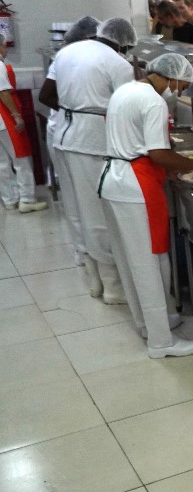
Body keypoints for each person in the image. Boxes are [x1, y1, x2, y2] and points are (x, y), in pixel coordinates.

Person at [99, 54, 193, 358]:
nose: (179, 92)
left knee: (130, 259)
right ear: (173, 77)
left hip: (113, 180)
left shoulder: (126, 90)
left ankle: (148, 323)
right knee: (150, 263)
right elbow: (158, 154)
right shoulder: (153, 102)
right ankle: (161, 342)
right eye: (182, 86)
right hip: (135, 185)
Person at [38, 18, 137, 303]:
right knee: (99, 215)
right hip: (92, 143)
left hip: (63, 137)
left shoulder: (66, 53)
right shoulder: (119, 64)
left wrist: (73, 109)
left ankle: (94, 277)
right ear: (124, 44)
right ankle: (113, 287)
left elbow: (46, 95)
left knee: (76, 208)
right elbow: (128, 107)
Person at [0, 33, 48, 213]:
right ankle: (27, 199)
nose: (6, 49)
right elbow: (3, 92)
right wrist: (16, 115)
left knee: (2, 162)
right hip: (5, 118)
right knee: (21, 158)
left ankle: (10, 199)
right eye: (4, 45)